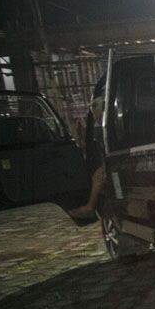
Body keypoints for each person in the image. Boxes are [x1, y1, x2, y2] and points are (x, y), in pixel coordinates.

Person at [68, 78, 107, 223]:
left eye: (96, 111)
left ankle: (90, 208)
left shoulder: (108, 125)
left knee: (98, 176)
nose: (96, 116)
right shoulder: (104, 126)